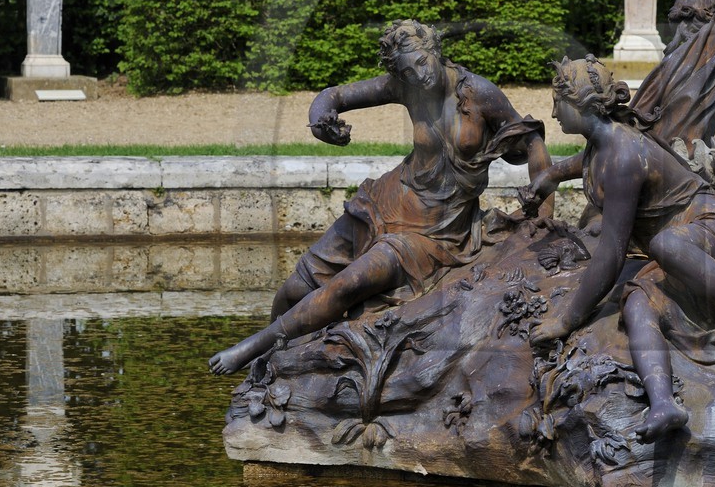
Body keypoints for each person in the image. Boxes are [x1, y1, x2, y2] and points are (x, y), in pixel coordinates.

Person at [209, 20, 552, 375]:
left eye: (422, 62)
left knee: (346, 286)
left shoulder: (478, 93)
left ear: (435, 51)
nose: (419, 75)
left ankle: (250, 348)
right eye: (407, 70)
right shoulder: (406, 86)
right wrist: (321, 119)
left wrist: (543, 213)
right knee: (293, 289)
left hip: (431, 234)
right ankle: (268, 370)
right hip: (381, 204)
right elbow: (335, 96)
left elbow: (532, 142)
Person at [527, 55, 715, 441]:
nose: (553, 112)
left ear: (580, 105)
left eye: (558, 102)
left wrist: (567, 319)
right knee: (638, 302)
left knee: (665, 243)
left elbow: (611, 255)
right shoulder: (601, 144)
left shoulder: (624, 156)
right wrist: (549, 177)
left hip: (711, 230)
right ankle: (663, 404)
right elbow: (582, 164)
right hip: (672, 248)